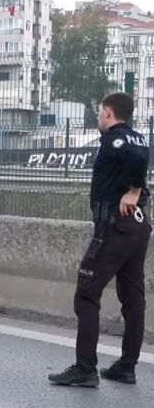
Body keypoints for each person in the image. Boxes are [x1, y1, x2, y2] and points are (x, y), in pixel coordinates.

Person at [50, 92, 149, 388]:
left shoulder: (114, 139)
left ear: (107, 112)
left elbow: (137, 160)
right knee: (133, 297)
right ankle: (127, 367)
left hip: (116, 227)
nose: (98, 118)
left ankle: (85, 369)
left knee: (86, 293)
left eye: (99, 112)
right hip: (138, 227)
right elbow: (140, 156)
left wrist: (133, 190)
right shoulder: (138, 137)